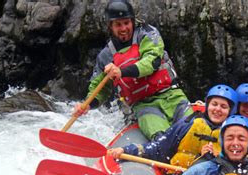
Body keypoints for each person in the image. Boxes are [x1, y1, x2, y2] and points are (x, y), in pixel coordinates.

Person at [74, 0, 192, 140]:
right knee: (162, 138)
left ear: (133, 22)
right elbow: (100, 89)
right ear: (110, 26)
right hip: (144, 106)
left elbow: (152, 62)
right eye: (118, 24)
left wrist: (121, 72)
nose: (123, 28)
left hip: (171, 95)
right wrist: (88, 104)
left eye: (126, 23)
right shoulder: (106, 56)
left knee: (192, 131)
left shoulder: (147, 34)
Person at [108, 84, 237, 175]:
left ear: (231, 111)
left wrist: (215, 157)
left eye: (223, 107)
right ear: (208, 105)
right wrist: (127, 150)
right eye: (214, 104)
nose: (217, 109)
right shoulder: (188, 124)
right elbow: (158, 148)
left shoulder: (235, 134)